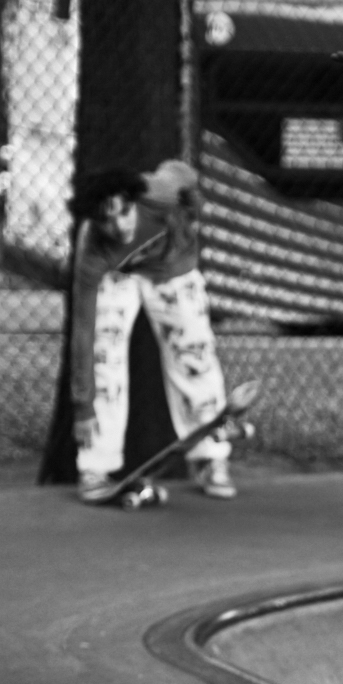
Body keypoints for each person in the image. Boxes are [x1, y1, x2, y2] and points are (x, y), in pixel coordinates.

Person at [68, 159, 235, 500]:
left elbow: (181, 171)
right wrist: (82, 408)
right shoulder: (93, 249)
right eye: (106, 219)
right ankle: (95, 464)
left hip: (172, 267)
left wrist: (193, 211)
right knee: (104, 352)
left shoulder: (156, 194)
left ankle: (210, 458)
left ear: (135, 200)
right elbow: (84, 331)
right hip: (120, 275)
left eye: (124, 212)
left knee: (193, 349)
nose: (119, 226)